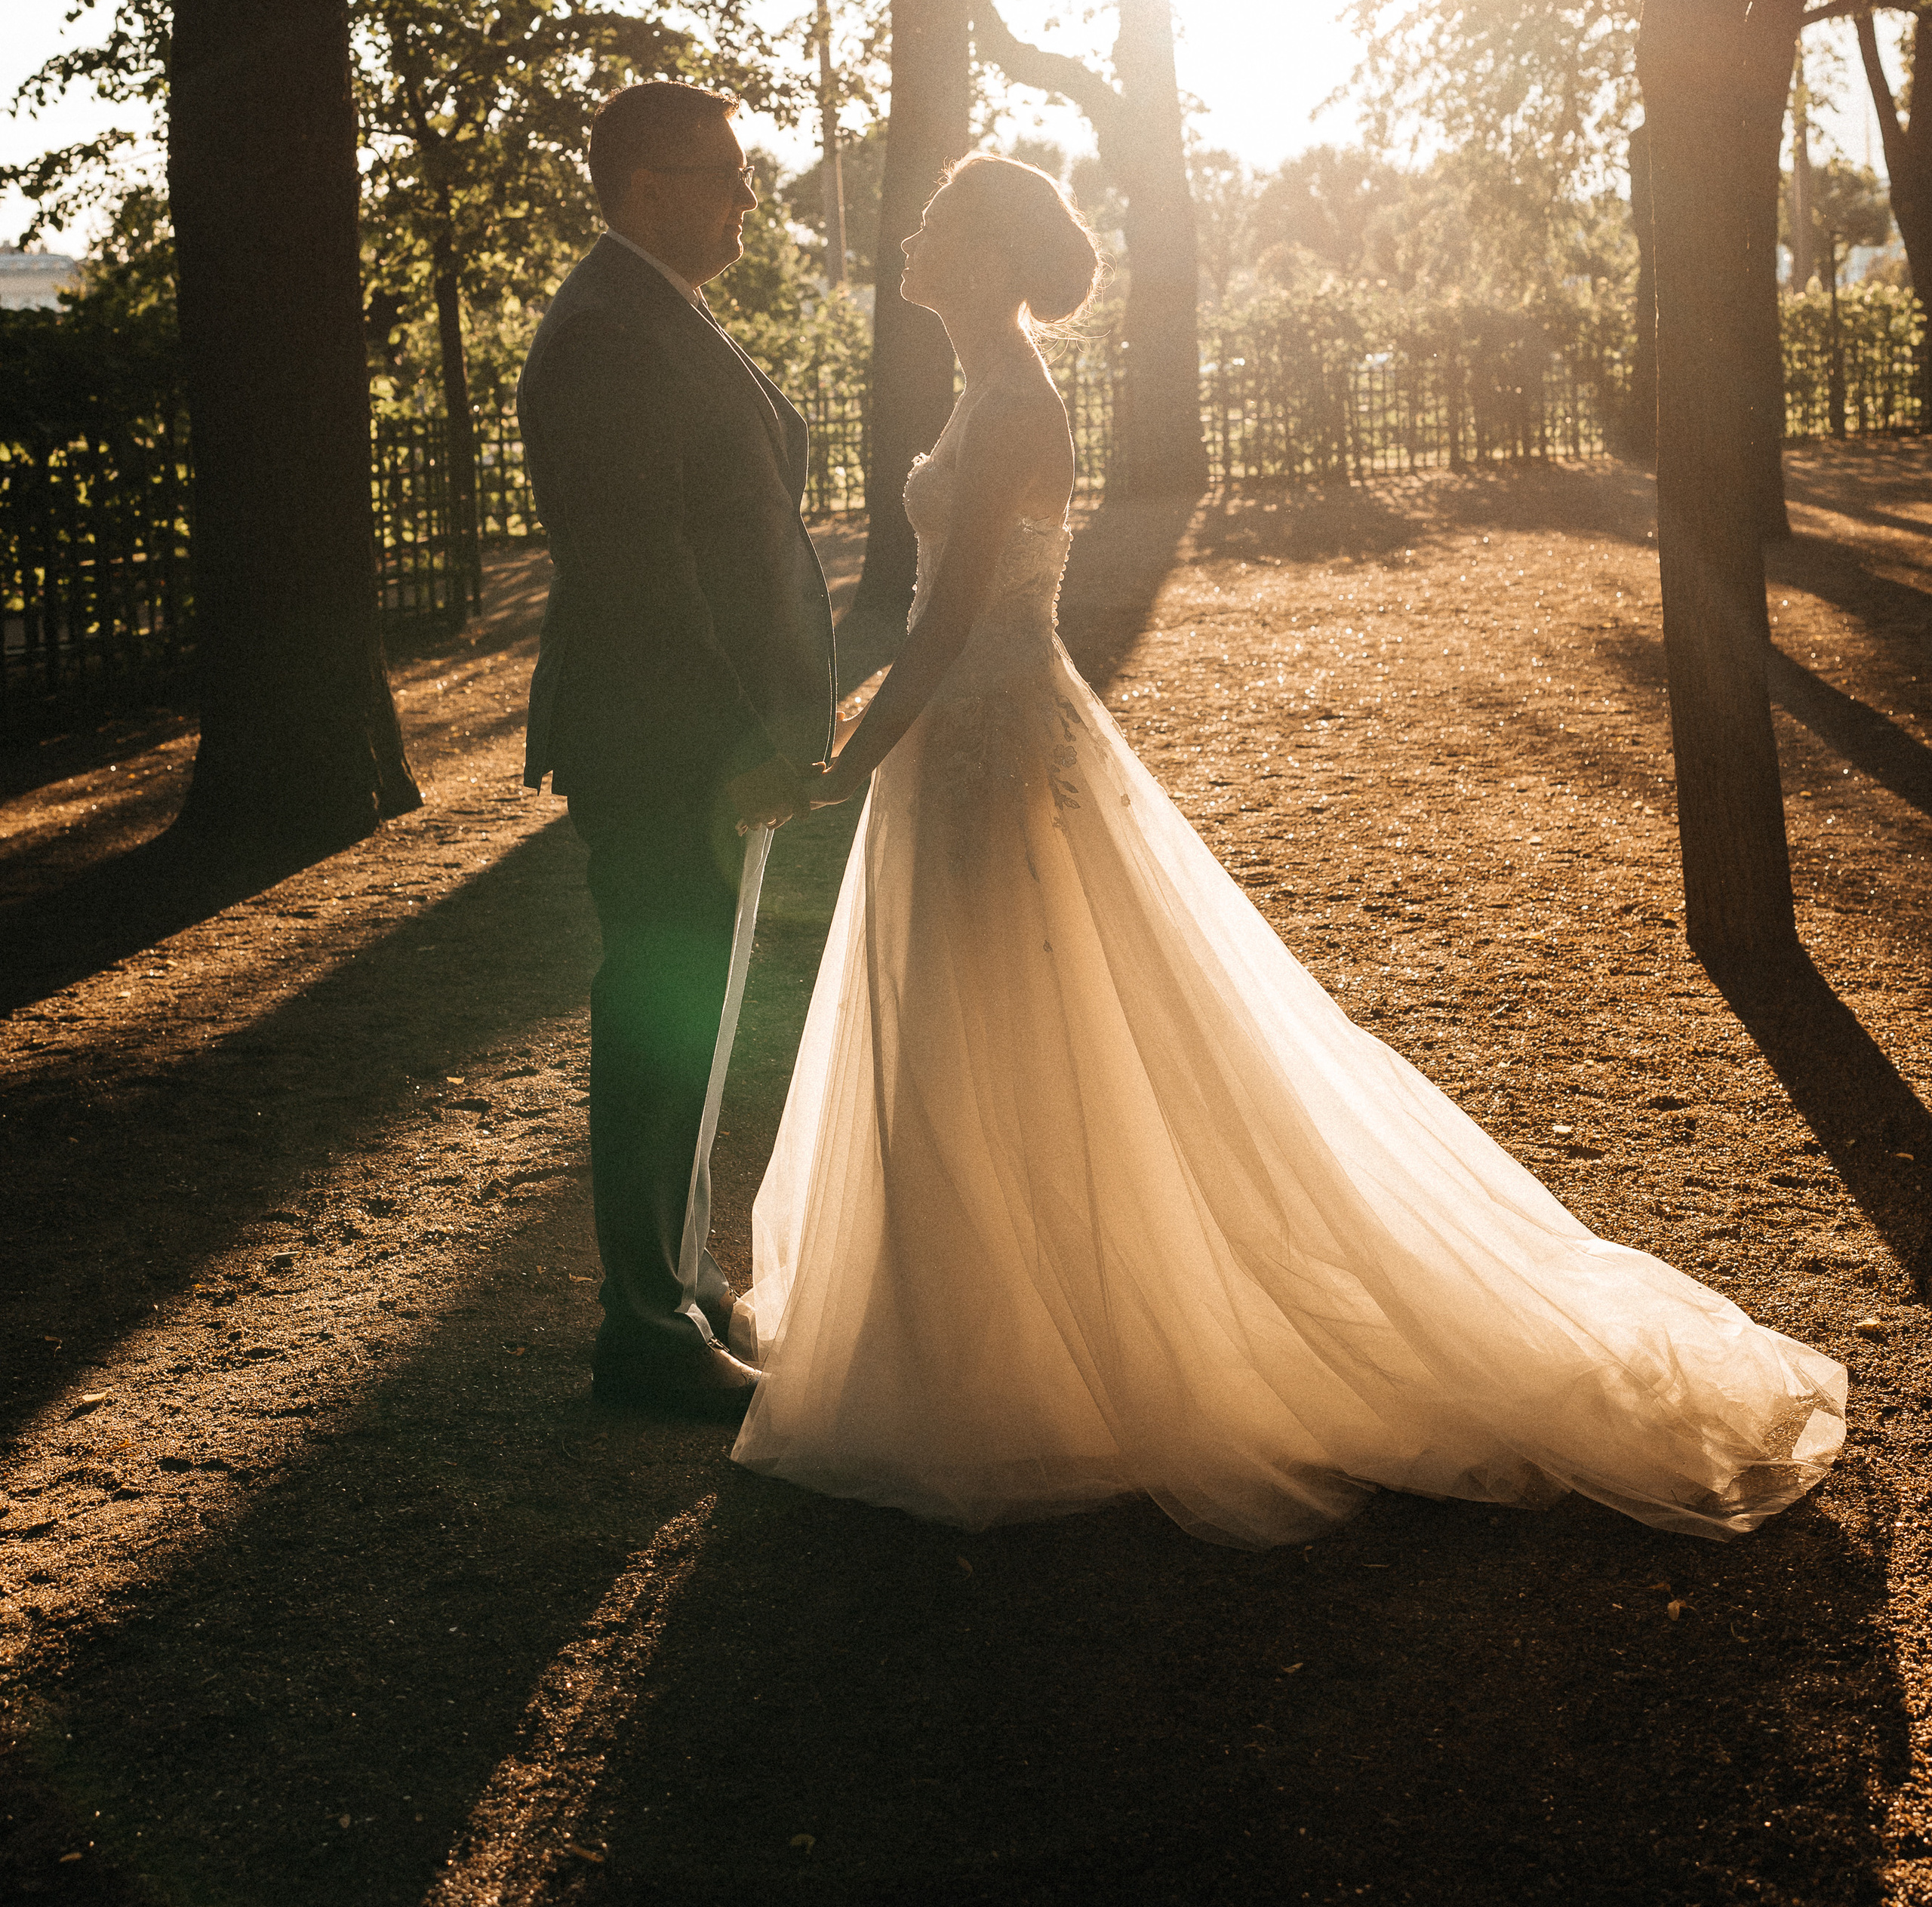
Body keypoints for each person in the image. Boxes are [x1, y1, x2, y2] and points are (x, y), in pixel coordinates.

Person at [732, 152, 1847, 1545]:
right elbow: (932, 624)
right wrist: (866, 738)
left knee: (1014, 1017)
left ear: (999, 260)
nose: (914, 234)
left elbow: (954, 619)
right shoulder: (980, 391)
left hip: (991, 741)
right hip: (962, 743)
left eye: (945, 222)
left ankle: (1031, 1354)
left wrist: (850, 757)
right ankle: (971, 1338)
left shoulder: (1015, 403)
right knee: (979, 1023)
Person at [519, 82, 833, 1422]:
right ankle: (639, 1327)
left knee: (695, 1006)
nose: (748, 200)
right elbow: (641, 574)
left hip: (710, 741)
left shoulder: (662, 312)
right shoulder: (604, 335)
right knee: (658, 1008)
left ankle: (679, 1274)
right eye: (723, 174)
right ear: (644, 182)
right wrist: (742, 736)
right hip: (669, 742)